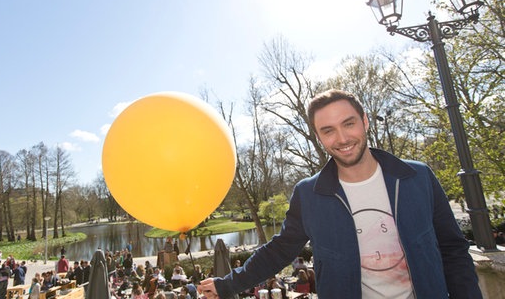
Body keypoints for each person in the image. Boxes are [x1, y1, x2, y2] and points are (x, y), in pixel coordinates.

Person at [199, 89, 482, 298]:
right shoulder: (309, 194)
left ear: (365, 121)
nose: (343, 139)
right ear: (319, 137)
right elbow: (280, 249)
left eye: (349, 124)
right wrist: (227, 284)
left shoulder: (416, 177)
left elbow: (453, 250)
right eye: (329, 131)